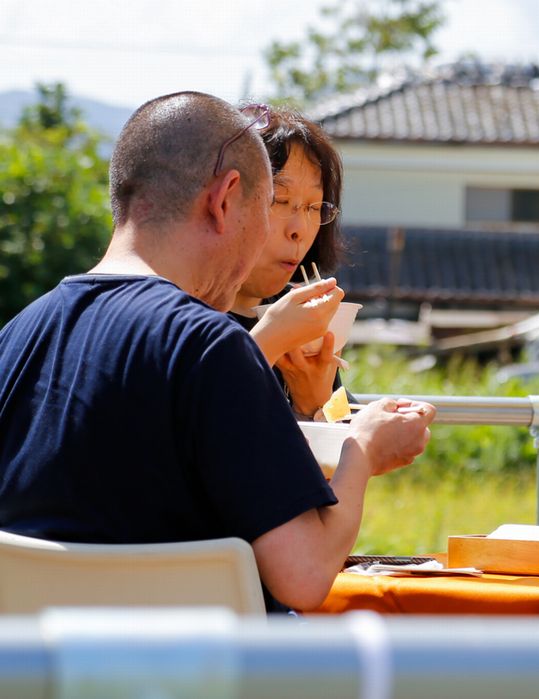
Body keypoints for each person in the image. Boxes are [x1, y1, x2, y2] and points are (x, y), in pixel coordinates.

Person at [0, 92, 435, 613]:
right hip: (197, 671)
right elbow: (304, 575)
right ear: (226, 199)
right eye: (271, 204)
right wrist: (360, 449)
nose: (290, 233)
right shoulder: (208, 344)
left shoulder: (17, 336)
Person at [226, 107, 351, 420]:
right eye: (280, 201)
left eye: (313, 207)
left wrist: (317, 401)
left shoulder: (307, 321)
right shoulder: (183, 318)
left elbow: (336, 465)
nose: (299, 229)